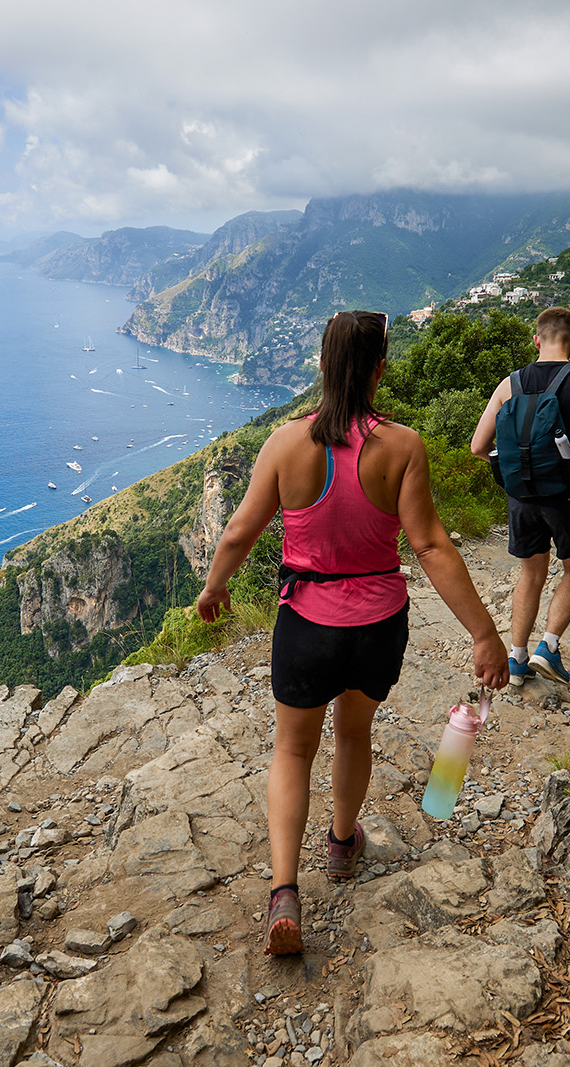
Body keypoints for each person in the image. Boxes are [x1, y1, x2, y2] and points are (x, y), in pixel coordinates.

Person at [197, 310, 508, 956]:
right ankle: (341, 842)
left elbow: (237, 532)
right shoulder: (403, 447)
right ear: (379, 369)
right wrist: (484, 633)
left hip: (306, 624)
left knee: (292, 750)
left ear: (320, 364)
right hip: (376, 625)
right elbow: (429, 544)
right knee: (354, 731)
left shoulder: (286, 444)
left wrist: (215, 588)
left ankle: (285, 890)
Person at [469, 306, 570, 687]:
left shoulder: (510, 384)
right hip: (569, 497)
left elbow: (477, 446)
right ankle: (549, 648)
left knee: (531, 572)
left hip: (521, 497)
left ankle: (518, 658)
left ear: (536, 340)